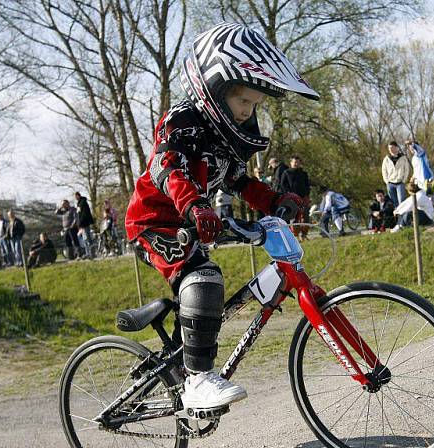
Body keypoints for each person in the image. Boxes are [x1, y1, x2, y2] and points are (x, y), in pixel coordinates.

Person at [124, 22, 313, 413]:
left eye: (255, 105)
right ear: (215, 89)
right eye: (244, 101)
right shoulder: (182, 120)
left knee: (203, 285)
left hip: (193, 220)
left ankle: (180, 360)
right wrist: (194, 204)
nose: (249, 112)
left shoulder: (225, 140)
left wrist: (279, 200)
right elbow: (167, 167)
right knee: (204, 276)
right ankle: (197, 381)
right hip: (155, 222)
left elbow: (242, 183)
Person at [280, 156, 311, 240]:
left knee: (305, 216)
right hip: (292, 199)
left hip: (303, 197)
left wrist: (307, 195)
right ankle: (295, 236)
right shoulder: (286, 172)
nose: (296, 163)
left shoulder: (303, 173)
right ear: (291, 163)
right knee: (294, 217)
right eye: (294, 162)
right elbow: (283, 185)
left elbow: (307, 185)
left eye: (298, 162)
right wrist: (289, 195)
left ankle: (304, 235)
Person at [381, 141, 410, 206]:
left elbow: (407, 170)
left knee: (402, 202)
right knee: (393, 203)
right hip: (390, 183)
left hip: (400, 183)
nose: (390, 149)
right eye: (389, 148)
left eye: (392, 147)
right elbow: (384, 170)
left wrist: (404, 180)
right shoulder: (386, 159)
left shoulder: (403, 158)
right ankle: (396, 216)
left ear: (397, 148)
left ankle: (403, 216)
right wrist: (387, 181)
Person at [75, 192, 95, 259]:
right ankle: (87, 253)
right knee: (84, 239)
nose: (75, 198)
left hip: (84, 224)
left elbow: (84, 214)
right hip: (82, 225)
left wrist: (81, 223)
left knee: (87, 238)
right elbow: (78, 215)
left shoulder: (83, 203)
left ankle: (90, 253)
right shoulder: (79, 204)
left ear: (78, 196)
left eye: (76, 196)